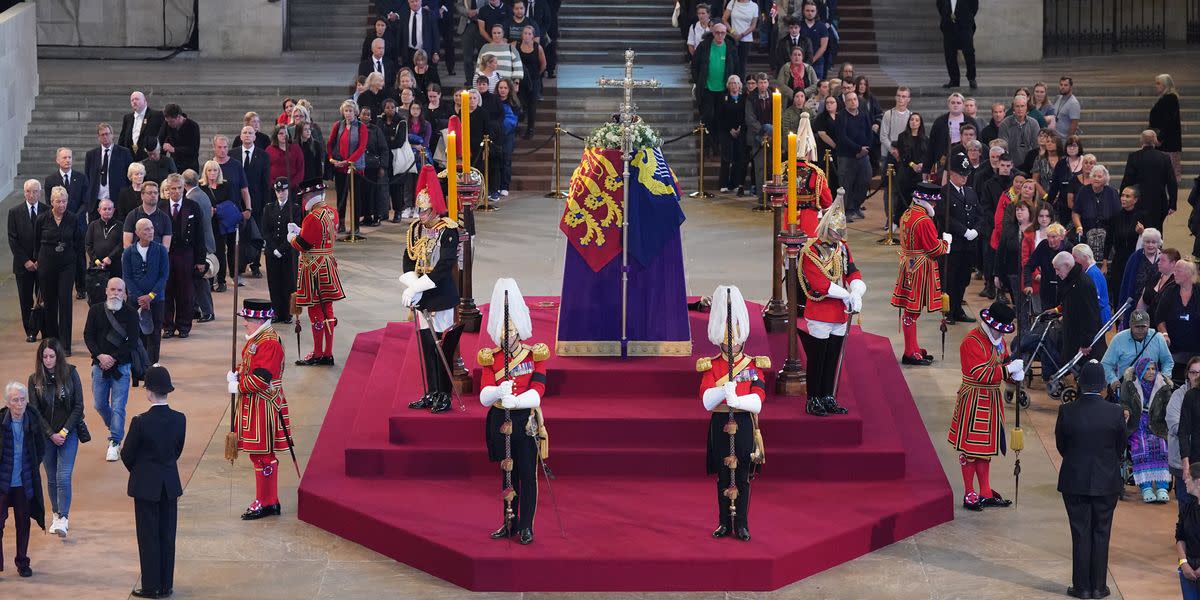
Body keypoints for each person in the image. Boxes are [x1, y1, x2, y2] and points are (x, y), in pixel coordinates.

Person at [475, 278, 548, 545]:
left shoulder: (533, 356)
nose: (508, 340)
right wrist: (497, 392)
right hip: (499, 420)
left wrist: (516, 402)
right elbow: (483, 394)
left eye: (512, 335)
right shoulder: (491, 357)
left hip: (523, 420)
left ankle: (526, 525)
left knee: (527, 475)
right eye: (504, 336)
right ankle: (509, 522)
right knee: (507, 475)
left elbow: (538, 390)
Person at [696, 284, 765, 542]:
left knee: (744, 475)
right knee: (723, 476)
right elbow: (705, 400)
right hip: (720, 421)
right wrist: (724, 393)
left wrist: (738, 398)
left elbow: (758, 401)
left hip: (744, 422)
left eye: (735, 342)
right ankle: (724, 522)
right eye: (728, 342)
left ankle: (743, 524)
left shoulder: (753, 365)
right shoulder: (711, 365)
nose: (732, 346)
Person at [1055, 360, 1125, 600]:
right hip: (1107, 481)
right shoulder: (1115, 412)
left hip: (1075, 480)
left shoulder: (1067, 411)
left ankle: (1082, 587)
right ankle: (1098, 587)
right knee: (1102, 532)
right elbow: (1120, 448)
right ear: (1103, 385)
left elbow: (1061, 446)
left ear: (1080, 383)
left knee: (1080, 533)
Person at [948, 301, 1022, 511]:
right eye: (999, 331)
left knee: (985, 450)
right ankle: (969, 492)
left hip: (991, 400)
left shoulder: (999, 341)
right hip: (973, 399)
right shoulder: (971, 341)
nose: (1001, 336)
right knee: (970, 449)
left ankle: (985, 491)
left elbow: (1005, 361)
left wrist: (1015, 373)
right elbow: (982, 374)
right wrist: (1008, 371)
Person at [401, 166, 462, 413]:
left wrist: (419, 285)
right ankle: (431, 391)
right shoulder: (415, 228)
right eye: (419, 210)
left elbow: (446, 264)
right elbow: (408, 257)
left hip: (440, 295)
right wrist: (411, 284)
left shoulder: (448, 229)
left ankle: (444, 394)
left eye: (425, 210)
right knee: (426, 345)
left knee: (442, 347)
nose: (421, 214)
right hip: (421, 296)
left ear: (435, 207)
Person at [121, 364, 184, 599]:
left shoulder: (140, 422)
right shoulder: (180, 419)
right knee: (168, 536)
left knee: (148, 537)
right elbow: (176, 451)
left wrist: (141, 471)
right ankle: (166, 584)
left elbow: (127, 454)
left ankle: (151, 586)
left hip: (146, 486)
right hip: (169, 485)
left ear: (149, 391)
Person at [799, 195, 865, 416]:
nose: (840, 237)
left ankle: (827, 395)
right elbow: (820, 284)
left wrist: (857, 290)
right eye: (837, 233)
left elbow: (852, 271)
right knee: (817, 359)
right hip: (819, 312)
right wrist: (846, 295)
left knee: (833, 357)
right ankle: (813, 397)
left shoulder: (842, 249)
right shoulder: (811, 251)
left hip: (839, 314)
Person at [228, 298, 293, 520]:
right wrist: (237, 373)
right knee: (258, 455)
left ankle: (267, 501)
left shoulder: (269, 343)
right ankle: (268, 500)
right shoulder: (258, 338)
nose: (245, 322)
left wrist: (239, 385)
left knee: (263, 456)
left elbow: (262, 379)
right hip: (255, 403)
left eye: (248, 319)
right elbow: (249, 364)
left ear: (260, 319)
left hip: (264, 404)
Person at [27, 337, 83, 538]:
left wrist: (64, 432)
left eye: (51, 356)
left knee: (63, 476)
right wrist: (50, 434)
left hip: (68, 434)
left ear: (58, 357)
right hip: (46, 437)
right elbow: (34, 411)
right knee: (51, 478)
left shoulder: (71, 374)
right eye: (44, 357)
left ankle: (63, 518)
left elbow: (78, 407)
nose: (48, 360)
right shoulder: (34, 380)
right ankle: (55, 513)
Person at [892, 182, 951, 366]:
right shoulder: (924, 220)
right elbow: (933, 249)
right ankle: (910, 352)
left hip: (909, 265)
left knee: (911, 312)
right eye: (933, 203)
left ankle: (914, 348)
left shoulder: (908, 214)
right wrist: (946, 244)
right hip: (920, 269)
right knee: (912, 312)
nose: (934, 206)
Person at [288, 179, 346, 365]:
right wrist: (301, 230)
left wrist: (292, 237)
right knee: (327, 310)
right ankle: (327, 352)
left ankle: (318, 353)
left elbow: (303, 244)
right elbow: (320, 236)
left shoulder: (311, 217)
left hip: (314, 269)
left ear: (309, 197)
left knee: (315, 312)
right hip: (328, 264)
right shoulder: (332, 212)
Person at [84, 277, 140, 462]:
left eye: (119, 291)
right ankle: (116, 427)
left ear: (125, 294)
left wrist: (113, 358)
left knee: (118, 407)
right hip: (99, 366)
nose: (116, 293)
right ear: (106, 290)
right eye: (113, 289)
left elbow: (132, 342)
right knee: (99, 404)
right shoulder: (95, 310)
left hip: (122, 367)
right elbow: (88, 336)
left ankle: (115, 441)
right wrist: (100, 356)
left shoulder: (131, 314)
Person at [0, 381, 47, 578]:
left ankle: (22, 562)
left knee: (23, 523)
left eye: (22, 399)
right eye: (15, 400)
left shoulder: (33, 420)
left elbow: (41, 448)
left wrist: (31, 468)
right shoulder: (1, 422)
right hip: (2, 483)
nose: (19, 404)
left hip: (23, 482)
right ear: (7, 403)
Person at [35, 186, 83, 354]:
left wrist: (76, 264)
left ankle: (65, 345)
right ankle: (52, 343)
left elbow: (78, 242)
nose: (61, 204)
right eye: (58, 201)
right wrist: (38, 260)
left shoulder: (73, 218)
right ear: (51, 202)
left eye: (64, 201)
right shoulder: (42, 219)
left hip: (67, 265)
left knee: (65, 301)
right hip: (47, 264)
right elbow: (36, 242)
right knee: (50, 303)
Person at [1121, 357, 1174, 503]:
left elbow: (1168, 407)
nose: (1151, 372)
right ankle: (1146, 487)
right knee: (1141, 446)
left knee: (1162, 445)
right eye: (1147, 369)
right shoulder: (1130, 384)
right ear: (1140, 370)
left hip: (1157, 425)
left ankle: (1162, 487)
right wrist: (1125, 410)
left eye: (1153, 369)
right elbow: (1124, 402)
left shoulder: (1163, 386)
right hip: (1136, 423)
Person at [160, 174, 204, 340]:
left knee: (186, 292)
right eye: (173, 188)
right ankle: (168, 326)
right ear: (168, 190)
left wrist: (200, 260)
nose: (177, 191)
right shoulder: (161, 207)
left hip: (187, 254)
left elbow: (200, 234)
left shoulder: (193, 206)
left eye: (180, 188)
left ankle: (184, 326)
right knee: (166, 290)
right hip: (166, 254)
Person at [45, 147, 90, 299]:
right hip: (59, 225)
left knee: (79, 256)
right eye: (64, 157)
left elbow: (86, 202)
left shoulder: (81, 177)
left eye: (69, 157)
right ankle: (63, 287)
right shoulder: (50, 180)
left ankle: (81, 287)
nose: (67, 160)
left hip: (78, 224)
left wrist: (74, 217)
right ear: (57, 160)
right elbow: (48, 203)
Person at [123, 218, 169, 364]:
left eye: (151, 228)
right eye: (146, 229)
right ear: (137, 232)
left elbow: (164, 276)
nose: (150, 232)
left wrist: (150, 296)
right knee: (137, 334)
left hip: (156, 299)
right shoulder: (129, 252)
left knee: (155, 335)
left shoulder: (161, 250)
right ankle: (140, 367)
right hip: (135, 301)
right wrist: (140, 298)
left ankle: (153, 367)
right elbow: (127, 277)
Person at [9, 180, 49, 343]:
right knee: (25, 300)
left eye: (34, 191)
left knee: (43, 298)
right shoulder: (14, 212)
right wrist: (26, 261)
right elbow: (13, 240)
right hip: (22, 265)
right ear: (24, 192)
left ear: (40, 193)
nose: (31, 195)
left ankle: (45, 330)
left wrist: (39, 259)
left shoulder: (47, 211)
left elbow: (47, 237)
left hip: (43, 263)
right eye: (27, 191)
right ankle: (30, 331)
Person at [943, 150, 981, 323]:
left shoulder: (971, 192)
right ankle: (949, 312)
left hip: (968, 246)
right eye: (961, 174)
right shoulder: (945, 192)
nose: (964, 178)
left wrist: (976, 230)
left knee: (964, 279)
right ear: (952, 173)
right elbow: (945, 217)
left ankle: (958, 309)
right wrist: (963, 231)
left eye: (966, 174)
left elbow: (980, 215)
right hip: (954, 245)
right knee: (951, 280)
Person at [1050, 251, 1104, 367]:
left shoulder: (1083, 284)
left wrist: (1086, 343)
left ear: (1067, 266)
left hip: (1084, 343)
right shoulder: (1070, 281)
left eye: (1058, 269)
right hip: (1073, 336)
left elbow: (1090, 315)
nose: (1056, 273)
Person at [1121, 130, 1179, 231]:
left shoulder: (1134, 157)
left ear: (1141, 141)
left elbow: (1127, 180)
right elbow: (1172, 182)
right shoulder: (1164, 158)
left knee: (1137, 230)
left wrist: (1122, 197)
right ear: (1155, 141)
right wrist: (1172, 204)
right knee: (1157, 231)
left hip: (1138, 202)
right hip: (1159, 202)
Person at [1101, 309, 1174, 388]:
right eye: (1137, 326)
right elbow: (1106, 364)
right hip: (1126, 387)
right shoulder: (1119, 339)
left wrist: (1163, 378)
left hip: (1152, 387)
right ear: (1130, 325)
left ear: (1149, 325)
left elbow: (1167, 361)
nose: (1140, 330)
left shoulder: (1158, 338)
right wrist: (1113, 381)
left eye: (1143, 326)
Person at [692, 24, 739, 145]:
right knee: (708, 116)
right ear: (713, 33)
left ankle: (718, 145)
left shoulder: (730, 47)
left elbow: (737, 66)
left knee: (721, 117)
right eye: (717, 32)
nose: (720, 35)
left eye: (723, 33)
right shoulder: (704, 46)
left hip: (724, 89)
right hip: (707, 88)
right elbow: (695, 65)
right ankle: (707, 144)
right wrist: (698, 80)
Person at [327, 100, 370, 230]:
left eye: (350, 111)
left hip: (355, 168)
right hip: (340, 167)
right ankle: (340, 224)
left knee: (355, 198)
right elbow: (330, 143)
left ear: (355, 112)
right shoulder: (338, 125)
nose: (348, 113)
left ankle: (355, 226)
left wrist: (348, 161)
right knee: (341, 196)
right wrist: (331, 159)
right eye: (346, 111)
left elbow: (361, 148)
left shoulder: (361, 127)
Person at [263, 178, 301, 323]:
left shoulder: (295, 208)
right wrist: (273, 249)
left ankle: (288, 313)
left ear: (288, 191)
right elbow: (266, 231)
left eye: (283, 190)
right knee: (274, 283)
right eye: (278, 191)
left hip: (288, 252)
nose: (280, 193)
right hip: (272, 252)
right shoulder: (268, 208)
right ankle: (276, 312)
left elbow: (295, 232)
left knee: (289, 283)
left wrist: (282, 249)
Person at [1157, 260, 1200, 384]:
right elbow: (1159, 317)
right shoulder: (1170, 292)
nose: (1174, 273)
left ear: (1189, 273)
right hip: (1174, 349)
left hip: (1196, 350)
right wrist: (1165, 334)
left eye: (1178, 271)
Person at [182, 170, 215, 322]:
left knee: (201, 279)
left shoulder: (192, 198)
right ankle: (196, 308)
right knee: (196, 278)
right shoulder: (202, 194)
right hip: (206, 240)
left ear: (185, 183)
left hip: (201, 244)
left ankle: (207, 311)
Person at [1168, 357, 1200, 511]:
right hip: (1181, 461)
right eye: (1193, 372)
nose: (1197, 377)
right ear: (1188, 374)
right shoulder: (1179, 396)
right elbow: (1175, 426)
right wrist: (1192, 426)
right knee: (1186, 506)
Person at [835, 91, 872, 221]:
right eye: (850, 100)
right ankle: (845, 211)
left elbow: (869, 132)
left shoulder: (863, 114)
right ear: (845, 102)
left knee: (865, 181)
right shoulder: (841, 116)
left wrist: (866, 148)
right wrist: (858, 149)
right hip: (847, 156)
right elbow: (842, 137)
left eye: (855, 99)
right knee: (846, 185)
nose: (853, 102)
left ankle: (855, 207)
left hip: (863, 155)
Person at [926, 94, 978, 180]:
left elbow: (978, 143)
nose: (955, 105)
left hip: (966, 159)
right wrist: (926, 169)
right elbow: (931, 145)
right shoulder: (939, 122)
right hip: (943, 160)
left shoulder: (971, 121)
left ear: (963, 105)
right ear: (948, 104)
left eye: (958, 103)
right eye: (953, 102)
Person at [85, 122, 134, 214]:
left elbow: (130, 176)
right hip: (96, 202)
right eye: (102, 135)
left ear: (112, 135)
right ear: (98, 137)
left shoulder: (124, 153)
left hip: (117, 200)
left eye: (107, 134)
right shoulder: (91, 155)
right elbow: (87, 177)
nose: (105, 137)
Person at [1117, 228, 1165, 321]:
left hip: (1158, 305)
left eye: (1153, 242)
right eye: (1147, 242)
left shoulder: (1163, 257)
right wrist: (1122, 308)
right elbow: (1125, 283)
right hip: (1136, 304)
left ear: (1158, 243)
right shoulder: (1135, 257)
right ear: (1143, 243)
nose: (1150, 245)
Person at [1024, 223, 1069, 315]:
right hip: (1046, 290)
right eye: (1048, 237)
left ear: (1061, 237)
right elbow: (1029, 266)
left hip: (1064, 291)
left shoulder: (1069, 248)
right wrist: (1028, 284)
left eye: (1054, 237)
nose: (1050, 240)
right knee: (1046, 316)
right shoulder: (1043, 246)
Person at [716, 75, 747, 195]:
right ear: (728, 85)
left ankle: (734, 183)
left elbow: (745, 114)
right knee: (726, 157)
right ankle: (723, 183)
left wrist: (739, 128)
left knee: (737, 157)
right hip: (726, 131)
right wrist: (730, 129)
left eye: (736, 83)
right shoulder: (723, 98)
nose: (734, 85)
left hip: (740, 131)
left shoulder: (744, 98)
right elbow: (720, 116)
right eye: (731, 83)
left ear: (740, 85)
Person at [937, 0, 977, 89]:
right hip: (948, 26)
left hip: (965, 26)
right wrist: (946, 16)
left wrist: (967, 17)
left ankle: (971, 78)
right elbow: (939, 5)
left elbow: (974, 7)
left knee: (969, 52)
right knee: (950, 54)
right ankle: (954, 80)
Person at [86, 197, 125, 290]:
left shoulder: (120, 225)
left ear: (114, 210)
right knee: (98, 293)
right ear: (99, 210)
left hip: (115, 264)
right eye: (104, 209)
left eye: (109, 209)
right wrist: (97, 260)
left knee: (115, 292)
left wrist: (110, 257)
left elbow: (122, 244)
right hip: (97, 266)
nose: (107, 211)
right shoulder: (93, 225)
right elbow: (88, 244)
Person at [1150, 74, 1183, 181]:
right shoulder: (1166, 98)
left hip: (1168, 143)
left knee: (1169, 173)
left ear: (1165, 85)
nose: (1156, 86)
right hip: (1164, 141)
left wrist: (1159, 138)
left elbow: (1169, 121)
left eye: (1158, 83)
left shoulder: (1170, 99)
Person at [515, 25, 545, 139]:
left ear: (533, 36)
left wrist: (536, 74)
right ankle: (518, 125)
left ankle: (530, 129)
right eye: (525, 33)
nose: (527, 35)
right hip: (520, 78)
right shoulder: (516, 46)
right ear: (522, 34)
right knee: (520, 102)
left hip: (534, 79)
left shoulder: (538, 47)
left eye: (529, 34)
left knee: (532, 103)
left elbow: (543, 64)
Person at [1073, 244, 1112, 326]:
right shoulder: (1090, 272)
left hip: (1098, 317)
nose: (1074, 261)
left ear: (1085, 257)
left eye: (1075, 257)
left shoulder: (1093, 273)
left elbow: (1094, 300)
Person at [118, 92, 164, 161]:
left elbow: (162, 136)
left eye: (137, 99)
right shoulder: (127, 118)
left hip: (149, 159)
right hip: (130, 159)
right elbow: (122, 138)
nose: (134, 102)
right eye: (132, 100)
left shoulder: (156, 115)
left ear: (145, 101)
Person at [161, 104, 200, 174]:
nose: (169, 124)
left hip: (190, 166)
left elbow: (194, 149)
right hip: (174, 166)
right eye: (167, 121)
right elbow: (160, 139)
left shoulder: (193, 126)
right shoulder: (167, 124)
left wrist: (174, 149)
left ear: (179, 117)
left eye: (172, 121)